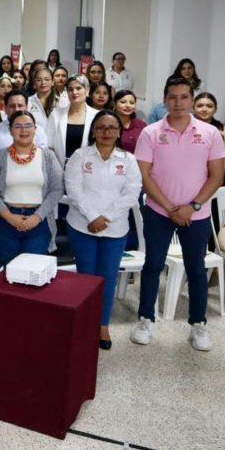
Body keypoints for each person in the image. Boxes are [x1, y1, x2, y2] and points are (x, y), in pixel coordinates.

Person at [132, 77, 225, 352]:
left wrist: (192, 206)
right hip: (159, 212)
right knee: (152, 265)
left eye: (184, 97)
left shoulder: (210, 133)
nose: (178, 102)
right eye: (172, 97)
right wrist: (171, 208)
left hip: (197, 214)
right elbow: (144, 176)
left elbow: (217, 175)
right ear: (165, 99)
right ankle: (146, 319)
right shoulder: (150, 133)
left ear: (192, 99)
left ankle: (198, 324)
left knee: (196, 269)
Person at [64, 110, 142, 350]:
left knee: (107, 279)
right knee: (86, 278)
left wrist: (105, 218)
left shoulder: (128, 160)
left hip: (114, 229)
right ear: (93, 131)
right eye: (101, 127)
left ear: (119, 132)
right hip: (82, 226)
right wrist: (92, 217)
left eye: (111, 128)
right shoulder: (80, 155)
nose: (106, 132)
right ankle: (83, 323)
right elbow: (73, 189)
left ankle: (102, 325)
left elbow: (132, 193)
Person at [0, 111, 64, 267]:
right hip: (5, 222)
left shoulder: (48, 156)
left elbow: (57, 189)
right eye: (18, 126)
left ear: (35, 129)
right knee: (8, 273)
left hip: (39, 222)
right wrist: (9, 217)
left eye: (28, 126)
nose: (24, 130)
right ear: (10, 130)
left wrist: (37, 217)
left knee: (34, 273)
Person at [47, 75, 99, 169]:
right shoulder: (56, 114)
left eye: (78, 88)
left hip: (88, 169)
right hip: (60, 168)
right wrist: (56, 168)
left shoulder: (97, 116)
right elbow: (49, 145)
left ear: (87, 90)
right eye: (70, 89)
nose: (74, 92)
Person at [194, 92, 225, 172]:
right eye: (200, 106)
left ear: (215, 109)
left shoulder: (224, 130)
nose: (204, 109)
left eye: (209, 106)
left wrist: (217, 176)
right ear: (193, 107)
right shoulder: (186, 128)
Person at [114, 90, 146, 154]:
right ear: (114, 104)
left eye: (132, 103)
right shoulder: (109, 125)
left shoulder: (142, 125)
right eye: (123, 102)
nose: (128, 105)